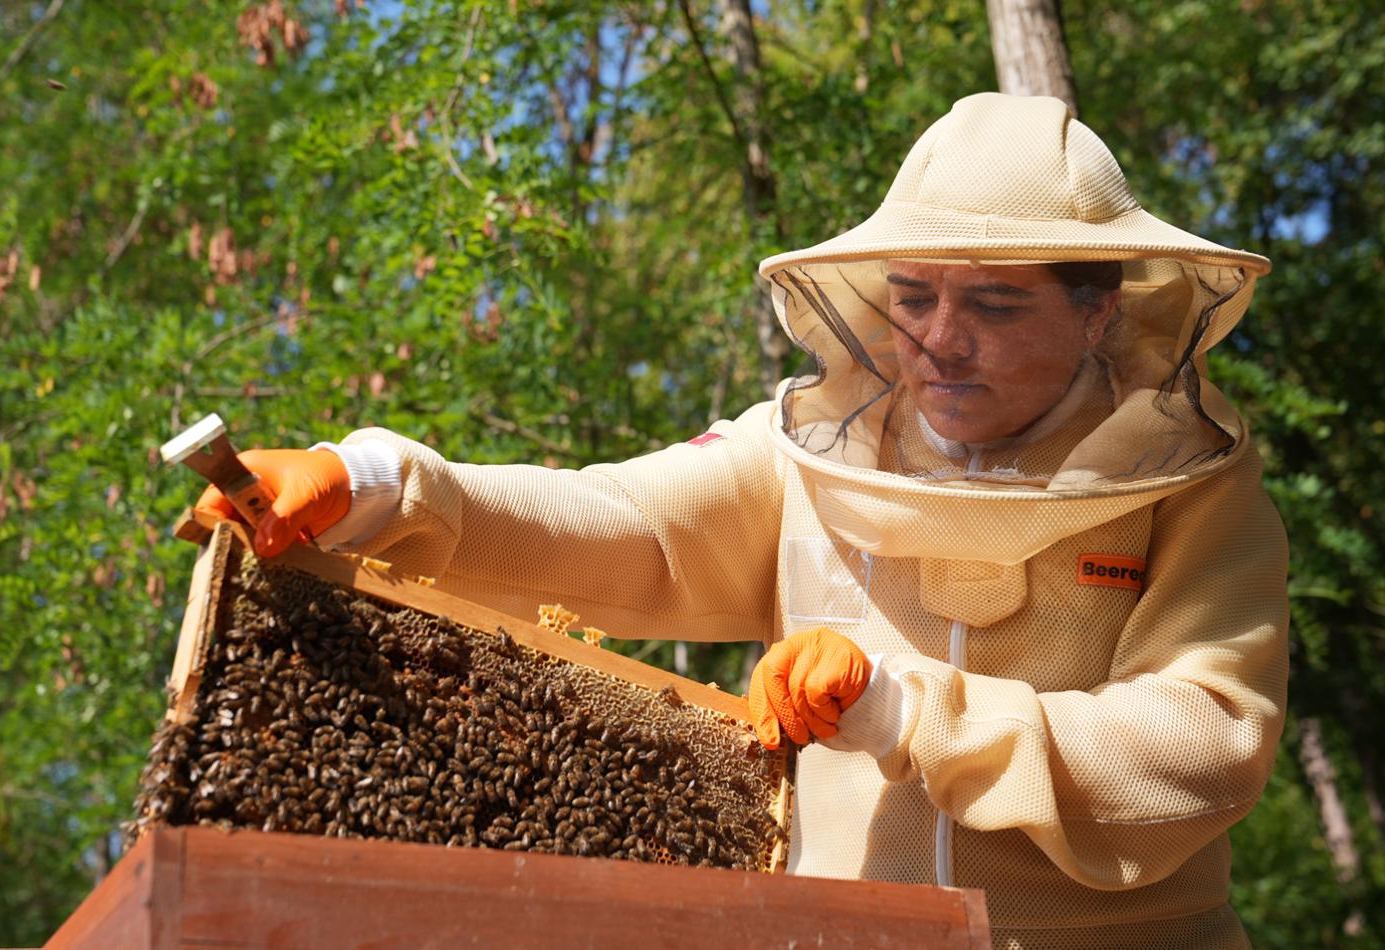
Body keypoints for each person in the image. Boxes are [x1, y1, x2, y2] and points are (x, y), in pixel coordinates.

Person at [196, 93, 1288, 948]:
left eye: (993, 305)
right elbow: (628, 522)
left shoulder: (1187, 483)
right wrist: (383, 479)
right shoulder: (812, 446)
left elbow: (1203, 739)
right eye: (913, 297)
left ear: (1096, 308)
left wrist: (902, 709)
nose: (938, 340)